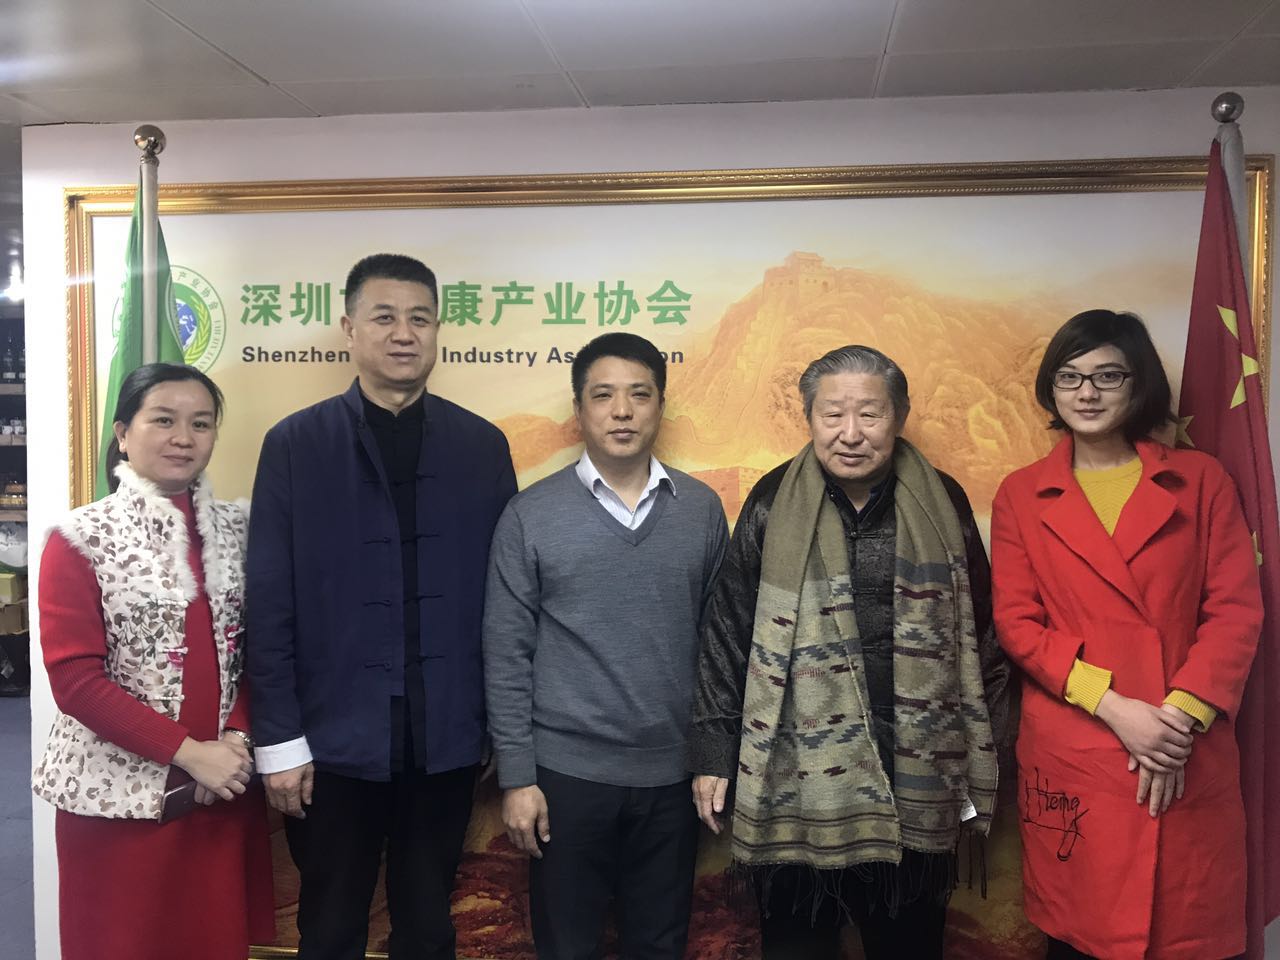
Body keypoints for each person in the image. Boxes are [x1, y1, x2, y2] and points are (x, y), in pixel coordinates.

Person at [688, 344, 1012, 960]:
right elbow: (728, 628)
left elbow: (983, 631)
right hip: (798, 782)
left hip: (917, 773)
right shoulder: (772, 501)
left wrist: (989, 750)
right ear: (809, 418)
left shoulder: (941, 502)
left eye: (870, 413)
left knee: (909, 947)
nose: (851, 433)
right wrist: (712, 753)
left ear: (900, 416)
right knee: (797, 946)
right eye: (833, 414)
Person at [247, 253, 517, 960]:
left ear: (437, 331)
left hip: (446, 734)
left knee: (429, 925)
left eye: (420, 318)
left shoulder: (481, 446)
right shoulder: (295, 444)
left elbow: (508, 601)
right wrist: (280, 742)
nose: (404, 333)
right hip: (329, 741)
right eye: (385, 317)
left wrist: (500, 725)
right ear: (349, 327)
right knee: (330, 926)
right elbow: (268, 603)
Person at [991, 309, 1262, 960]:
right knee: (1082, 936)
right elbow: (1018, 624)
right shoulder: (1021, 494)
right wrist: (1115, 708)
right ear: (1051, 388)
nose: (1086, 393)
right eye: (1070, 376)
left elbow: (1235, 610)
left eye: (1107, 376)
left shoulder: (1201, 481)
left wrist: (1176, 723)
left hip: (1182, 745)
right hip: (1080, 745)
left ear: (1139, 384)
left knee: (1185, 934)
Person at [483, 332, 729, 960]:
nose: (622, 411)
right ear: (579, 410)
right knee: (566, 947)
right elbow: (506, 653)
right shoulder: (530, 515)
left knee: (660, 945)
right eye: (603, 396)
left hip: (672, 778)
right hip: (564, 778)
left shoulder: (701, 510)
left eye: (639, 395)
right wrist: (517, 777)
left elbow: (719, 646)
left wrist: (712, 755)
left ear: (660, 406)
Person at [33, 362, 273, 960]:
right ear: (122, 433)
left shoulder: (243, 530)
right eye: (163, 421)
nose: (183, 438)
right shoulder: (80, 536)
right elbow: (75, 680)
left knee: (215, 943)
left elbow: (264, 651)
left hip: (222, 792)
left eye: (201, 423)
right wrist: (190, 754)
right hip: (116, 803)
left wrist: (236, 741)